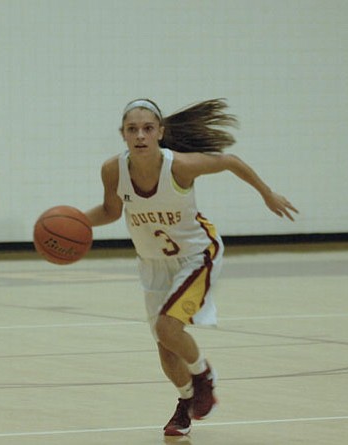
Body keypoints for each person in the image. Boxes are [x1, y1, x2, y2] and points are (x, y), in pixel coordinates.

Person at [85, 98, 298, 437]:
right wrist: (76, 221)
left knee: (169, 328)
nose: (140, 135)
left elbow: (229, 160)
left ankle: (203, 377)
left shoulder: (179, 166)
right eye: (132, 129)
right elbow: (111, 211)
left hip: (196, 255)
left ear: (160, 133)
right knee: (166, 348)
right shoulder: (113, 170)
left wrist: (267, 193)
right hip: (153, 263)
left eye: (147, 128)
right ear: (123, 135)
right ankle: (186, 401)